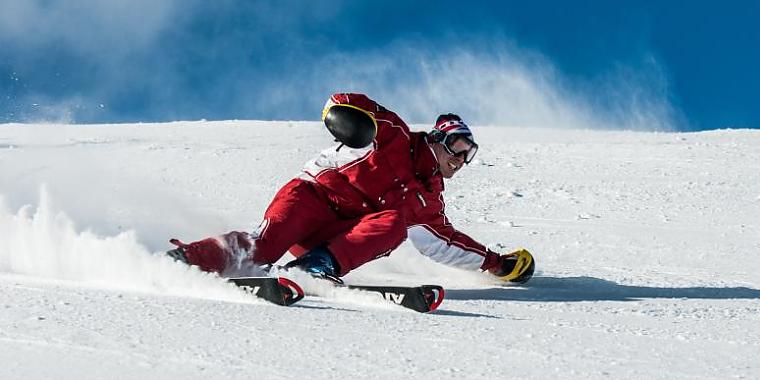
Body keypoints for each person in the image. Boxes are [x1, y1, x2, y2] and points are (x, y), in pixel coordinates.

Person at [167, 93, 534, 284]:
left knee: (393, 225)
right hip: (310, 199)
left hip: (333, 237)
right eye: (458, 148)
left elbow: (445, 244)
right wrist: (346, 121)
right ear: (438, 140)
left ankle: (315, 267)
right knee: (263, 248)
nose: (461, 159)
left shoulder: (428, 200)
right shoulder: (394, 136)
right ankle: (190, 260)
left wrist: (497, 264)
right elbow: (346, 101)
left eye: (468, 155)